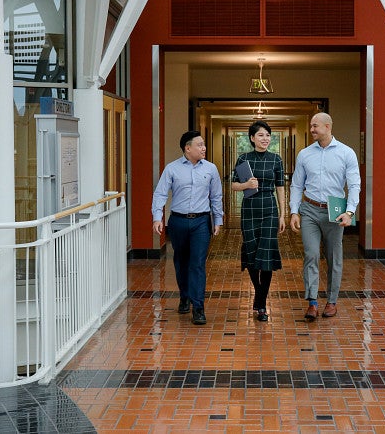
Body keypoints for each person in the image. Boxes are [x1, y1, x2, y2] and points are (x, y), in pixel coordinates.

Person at [289, 112, 360, 321]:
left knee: (333, 257)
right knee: (311, 254)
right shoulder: (304, 154)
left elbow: (354, 185)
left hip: (335, 211)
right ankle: (312, 302)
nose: (312, 129)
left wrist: (350, 211)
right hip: (309, 209)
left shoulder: (346, 153)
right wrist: (294, 211)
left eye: (315, 126)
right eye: (311, 126)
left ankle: (331, 301)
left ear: (328, 127)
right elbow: (296, 184)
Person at [152, 130, 224, 325]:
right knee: (181, 261)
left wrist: (218, 220)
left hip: (201, 221)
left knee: (198, 263)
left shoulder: (210, 169)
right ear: (187, 148)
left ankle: (198, 307)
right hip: (178, 222)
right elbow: (160, 194)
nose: (204, 148)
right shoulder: (172, 169)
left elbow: (216, 196)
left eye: (204, 144)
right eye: (200, 145)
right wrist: (157, 218)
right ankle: (184, 295)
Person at [230, 120, 286, 322]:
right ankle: (259, 293)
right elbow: (233, 186)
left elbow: (280, 187)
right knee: (252, 252)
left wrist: (282, 214)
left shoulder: (276, 159)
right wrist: (246, 184)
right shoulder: (244, 158)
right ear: (252, 138)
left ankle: (260, 303)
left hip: (269, 208)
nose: (265, 139)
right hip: (250, 209)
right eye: (261, 135)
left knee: (267, 254)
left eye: (268, 135)